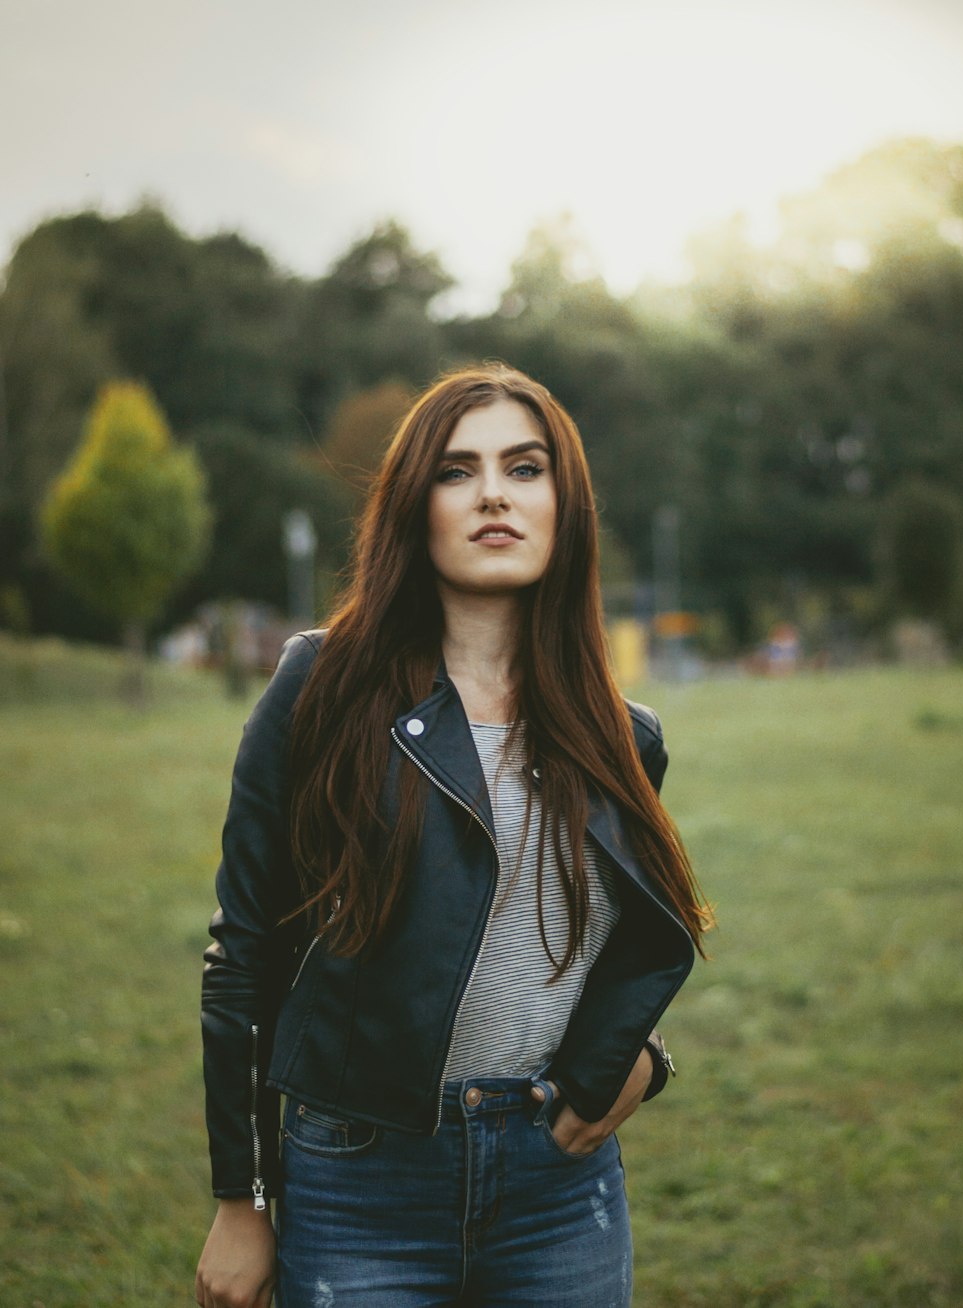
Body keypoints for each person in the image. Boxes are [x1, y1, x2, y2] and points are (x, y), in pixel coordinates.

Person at [195, 364, 711, 1308]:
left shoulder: (623, 736)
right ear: (413, 506)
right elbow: (244, 955)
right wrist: (244, 1199)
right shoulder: (319, 687)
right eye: (455, 471)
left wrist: (639, 1057)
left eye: (524, 468)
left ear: (566, 504)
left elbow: (616, 944)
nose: (491, 496)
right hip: (359, 1179)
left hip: (560, 1188)